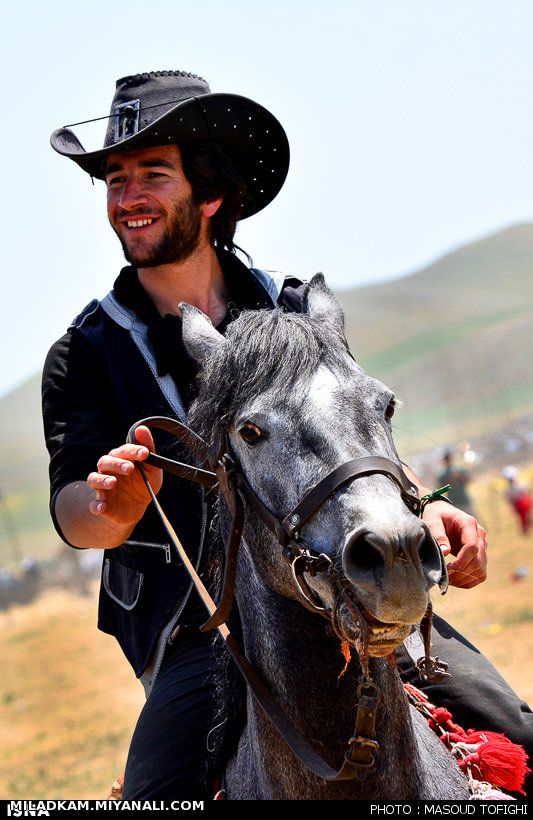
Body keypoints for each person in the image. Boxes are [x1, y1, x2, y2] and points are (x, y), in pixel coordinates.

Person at [43, 69, 531, 799]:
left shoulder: (297, 308)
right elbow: (73, 517)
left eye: (152, 174)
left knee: (518, 736)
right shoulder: (85, 352)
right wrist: (110, 507)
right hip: (204, 633)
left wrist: (422, 509)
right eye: (115, 179)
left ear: (209, 196)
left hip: (347, 581)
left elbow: (358, 442)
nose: (127, 197)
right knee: (155, 795)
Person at [437, 449, 474, 516]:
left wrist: (459, 476)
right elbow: (439, 487)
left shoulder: (459, 469)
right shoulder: (442, 474)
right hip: (454, 503)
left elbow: (469, 479)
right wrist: (450, 480)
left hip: (464, 500)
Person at [502, 466, 532, 535]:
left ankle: (525, 528)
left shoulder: (520, 484)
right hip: (519, 503)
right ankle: (525, 528)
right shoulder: (509, 489)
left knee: (524, 517)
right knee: (523, 517)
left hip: (522, 502)